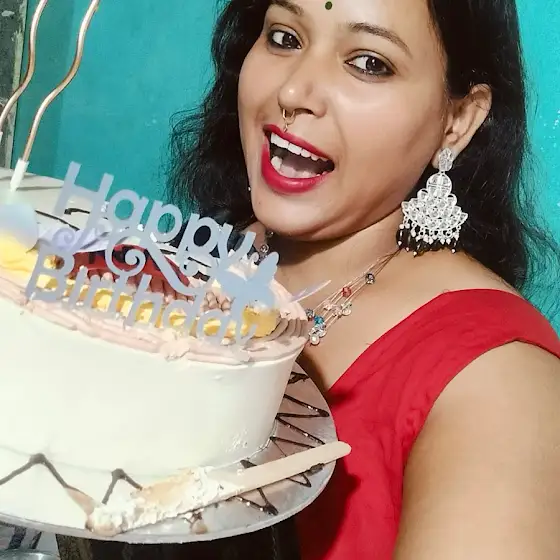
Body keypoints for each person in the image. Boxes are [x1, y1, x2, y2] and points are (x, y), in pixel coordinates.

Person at [59, 0, 560, 558]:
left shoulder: (501, 387)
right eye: (285, 37)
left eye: (369, 63)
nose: (294, 90)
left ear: (458, 120)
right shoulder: (192, 264)